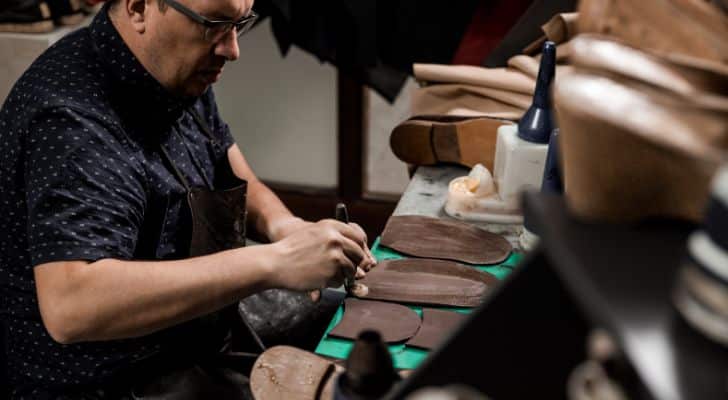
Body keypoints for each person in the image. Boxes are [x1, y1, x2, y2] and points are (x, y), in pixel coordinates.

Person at [0, 0, 376, 397]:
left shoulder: (170, 66)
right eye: (214, 24)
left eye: (240, 23)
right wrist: (274, 262)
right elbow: (72, 306)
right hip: (110, 380)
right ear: (140, 8)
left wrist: (287, 228)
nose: (232, 49)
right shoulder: (72, 120)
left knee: (369, 326)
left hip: (191, 338)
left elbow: (226, 162)